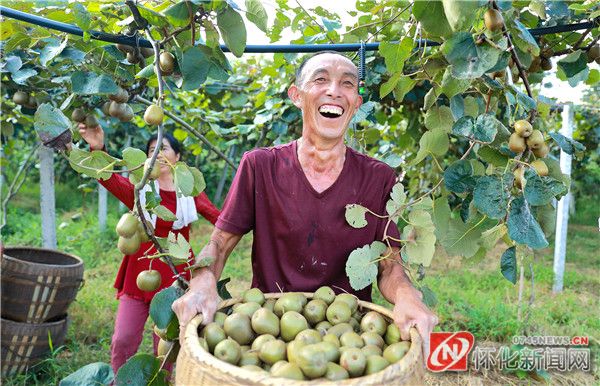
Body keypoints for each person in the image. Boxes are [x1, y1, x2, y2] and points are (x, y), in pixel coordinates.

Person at [173, 51, 438, 359]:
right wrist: (202, 282)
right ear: (296, 95)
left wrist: (407, 295)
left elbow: (390, 264)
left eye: (347, 84)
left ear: (357, 103)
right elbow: (220, 242)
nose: (334, 90)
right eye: (321, 79)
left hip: (345, 337)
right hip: (268, 333)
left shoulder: (379, 178)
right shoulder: (260, 166)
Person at [78, 125, 220, 375]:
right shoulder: (139, 190)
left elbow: (219, 218)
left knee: (165, 346)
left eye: (163, 148)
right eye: (152, 150)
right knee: (123, 339)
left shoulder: (188, 191)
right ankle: (119, 381)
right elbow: (109, 179)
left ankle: (161, 381)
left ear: (178, 157)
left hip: (175, 277)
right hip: (139, 273)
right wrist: (98, 148)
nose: (157, 154)